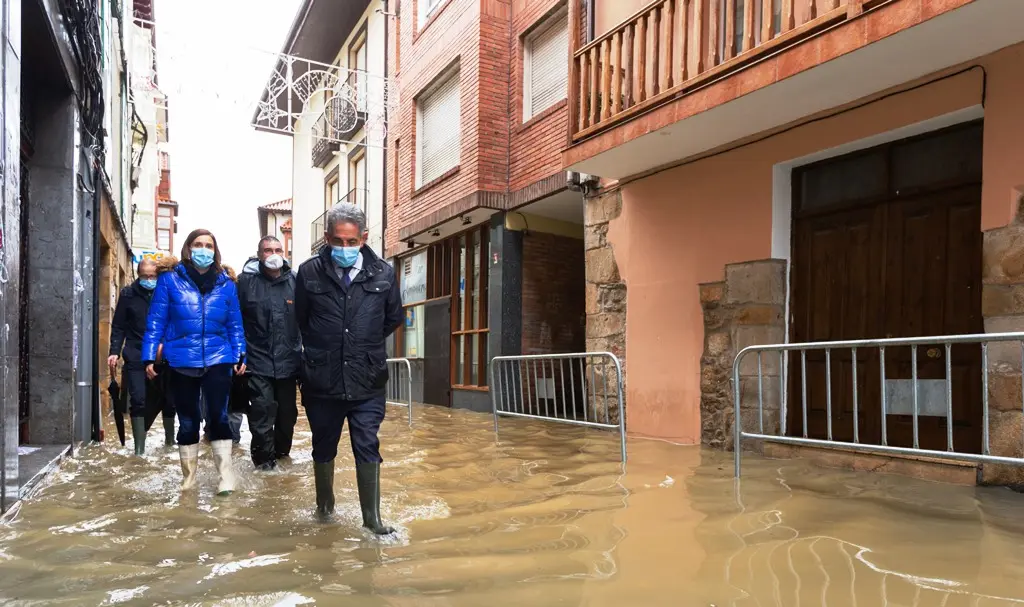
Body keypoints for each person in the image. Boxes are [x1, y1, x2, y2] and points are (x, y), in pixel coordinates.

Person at [295, 203, 402, 533]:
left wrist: (361, 344)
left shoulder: (383, 272)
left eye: (351, 242)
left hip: (366, 379)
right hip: (322, 380)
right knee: (323, 445)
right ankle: (325, 509)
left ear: (364, 237)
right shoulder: (309, 272)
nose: (344, 248)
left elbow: (393, 318)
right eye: (338, 241)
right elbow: (300, 319)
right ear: (327, 237)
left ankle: (373, 520)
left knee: (367, 443)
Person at [142, 229, 247, 495]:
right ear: (188, 248)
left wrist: (240, 354)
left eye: (208, 245)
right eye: (198, 244)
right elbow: (156, 321)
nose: (203, 250)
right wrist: (148, 356)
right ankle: (189, 478)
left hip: (219, 357)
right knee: (188, 421)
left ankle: (226, 477)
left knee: (219, 416)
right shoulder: (169, 281)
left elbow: (235, 323)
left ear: (215, 250)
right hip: (180, 358)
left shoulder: (227, 284)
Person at [238, 236, 301, 470]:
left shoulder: (296, 282)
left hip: (288, 363)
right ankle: (264, 467)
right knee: (262, 415)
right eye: (267, 250)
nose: (273, 254)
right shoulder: (245, 283)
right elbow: (235, 320)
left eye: (277, 249)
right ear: (259, 254)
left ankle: (282, 457)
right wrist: (239, 354)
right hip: (257, 363)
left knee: (287, 416)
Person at [108, 259, 174, 454]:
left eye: (153, 276)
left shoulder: (166, 293)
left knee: (170, 401)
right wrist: (114, 351)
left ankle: (170, 444)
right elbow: (119, 326)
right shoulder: (128, 295)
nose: (149, 279)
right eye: (145, 276)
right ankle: (139, 451)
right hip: (136, 354)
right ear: (138, 275)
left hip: (164, 355)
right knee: (138, 400)